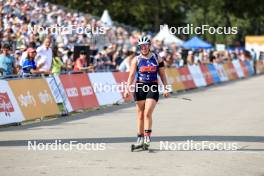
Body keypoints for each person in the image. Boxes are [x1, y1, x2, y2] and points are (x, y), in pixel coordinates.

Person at [124, 36, 170, 149]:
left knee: (147, 112)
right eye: (141, 46)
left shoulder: (157, 58)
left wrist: (165, 88)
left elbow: (163, 75)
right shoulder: (136, 59)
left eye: (145, 45)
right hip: (140, 86)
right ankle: (139, 138)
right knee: (140, 114)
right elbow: (131, 75)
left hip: (153, 86)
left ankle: (147, 138)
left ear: (149, 46)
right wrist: (127, 88)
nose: (143, 48)